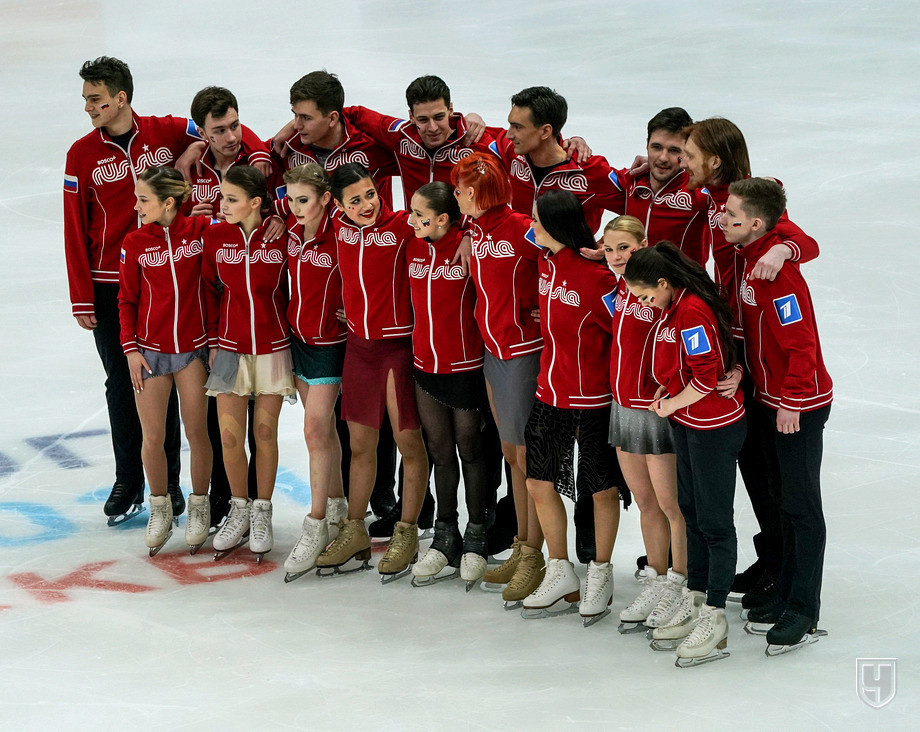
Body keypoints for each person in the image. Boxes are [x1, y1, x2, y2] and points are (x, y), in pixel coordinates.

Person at [680, 118, 820, 608]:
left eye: (689, 154)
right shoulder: (713, 201)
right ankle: (772, 560)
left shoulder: (752, 201)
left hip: (771, 363)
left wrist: (783, 247)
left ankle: (788, 577)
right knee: (757, 476)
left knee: (781, 483)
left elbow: (806, 242)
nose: (683, 163)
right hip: (743, 355)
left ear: (714, 161)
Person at [64, 56, 199, 524]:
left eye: (95, 100)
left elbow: (215, 128)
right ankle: (129, 479)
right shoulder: (80, 155)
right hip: (108, 287)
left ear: (121, 98)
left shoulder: (164, 132)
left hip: (165, 280)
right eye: (85, 100)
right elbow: (73, 228)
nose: (88, 108)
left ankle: (171, 484)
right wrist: (82, 297)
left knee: (168, 378)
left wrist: (190, 154)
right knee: (122, 382)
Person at [720, 178, 832, 653]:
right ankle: (784, 590)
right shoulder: (750, 260)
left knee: (802, 507)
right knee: (782, 502)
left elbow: (801, 343)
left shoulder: (777, 274)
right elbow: (754, 332)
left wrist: (793, 401)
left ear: (756, 224)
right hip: (768, 398)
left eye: (731, 217)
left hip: (796, 405)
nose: (723, 221)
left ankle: (804, 608)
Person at [623, 242, 745, 667]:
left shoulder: (691, 311)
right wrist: (669, 390)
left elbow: (708, 377)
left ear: (662, 282)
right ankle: (695, 597)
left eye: (644, 295)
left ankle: (715, 613)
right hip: (689, 424)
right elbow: (684, 368)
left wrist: (671, 404)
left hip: (714, 428)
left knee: (713, 520)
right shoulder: (672, 308)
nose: (643, 303)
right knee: (690, 511)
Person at [317, 163, 429, 582]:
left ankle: (408, 531)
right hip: (358, 351)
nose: (366, 205)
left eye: (369, 194)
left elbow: (448, 221)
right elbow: (294, 196)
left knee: (408, 443)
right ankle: (355, 530)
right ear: (338, 204)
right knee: (360, 446)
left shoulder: (402, 225)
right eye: (355, 199)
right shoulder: (337, 225)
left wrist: (467, 241)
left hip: (398, 350)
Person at [516, 191, 621, 626]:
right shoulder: (546, 262)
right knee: (538, 481)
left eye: (538, 220)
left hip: (594, 400)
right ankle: (560, 569)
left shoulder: (599, 279)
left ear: (557, 226)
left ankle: (600, 571)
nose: (531, 227)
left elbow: (626, 331)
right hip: (549, 394)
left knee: (600, 488)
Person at [452, 152, 545, 608]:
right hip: (493, 351)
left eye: (458, 189)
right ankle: (525, 545)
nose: (454, 196)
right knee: (512, 455)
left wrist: (544, 311)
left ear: (474, 193)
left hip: (522, 354)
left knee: (525, 457)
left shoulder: (521, 227)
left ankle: (535, 555)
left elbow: (563, 258)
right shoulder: (479, 227)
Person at [118, 167, 213, 555]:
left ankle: (200, 507)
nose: (137, 206)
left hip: (193, 350)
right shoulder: (136, 242)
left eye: (144, 200)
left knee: (197, 433)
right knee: (153, 437)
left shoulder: (201, 233)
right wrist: (131, 350)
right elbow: (126, 300)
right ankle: (159, 506)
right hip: (149, 352)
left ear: (168, 203)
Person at [601, 217, 688, 633]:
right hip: (622, 408)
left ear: (644, 247)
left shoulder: (663, 293)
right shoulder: (620, 287)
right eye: (609, 249)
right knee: (647, 503)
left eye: (625, 249)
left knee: (673, 506)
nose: (616, 257)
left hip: (657, 413)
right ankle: (655, 580)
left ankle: (680, 585)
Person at [202, 166, 293, 561]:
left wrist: (281, 218)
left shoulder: (281, 236)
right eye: (222, 198)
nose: (223, 206)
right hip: (226, 350)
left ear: (256, 203)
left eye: (231, 199)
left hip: (273, 348)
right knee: (228, 436)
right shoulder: (214, 237)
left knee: (264, 432)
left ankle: (261, 513)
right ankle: (238, 511)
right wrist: (210, 339)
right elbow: (207, 288)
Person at [404, 182, 490, 589]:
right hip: (425, 368)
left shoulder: (467, 243)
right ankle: (444, 534)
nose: (411, 220)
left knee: (470, 449)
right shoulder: (412, 244)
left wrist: (471, 233)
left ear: (442, 218)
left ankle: (476, 536)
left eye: (420, 215)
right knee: (439, 451)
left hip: (468, 368)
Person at [280, 164, 349, 582]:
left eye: (303, 199)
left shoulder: (342, 232)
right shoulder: (289, 229)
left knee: (313, 432)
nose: (294, 207)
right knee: (324, 435)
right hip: (298, 342)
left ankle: (317, 522)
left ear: (325, 198)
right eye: (290, 199)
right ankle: (338, 510)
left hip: (330, 346)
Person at [488, 86, 625, 234]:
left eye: (517, 127)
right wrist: (472, 118)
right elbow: (473, 137)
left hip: (569, 257)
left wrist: (607, 244)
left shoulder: (589, 171)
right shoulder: (512, 151)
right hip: (519, 255)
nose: (509, 135)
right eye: (510, 125)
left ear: (546, 131)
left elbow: (640, 202)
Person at [344, 75, 497, 206]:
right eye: (423, 120)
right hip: (416, 237)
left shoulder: (475, 142)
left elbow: (516, 141)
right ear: (411, 116)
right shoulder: (400, 136)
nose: (432, 128)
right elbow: (354, 114)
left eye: (439, 117)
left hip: (461, 239)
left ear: (450, 111)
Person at [182, 86, 275, 218]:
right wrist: (191, 224)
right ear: (202, 133)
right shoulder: (189, 170)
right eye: (220, 131)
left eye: (235, 126)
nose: (231, 138)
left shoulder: (263, 163)